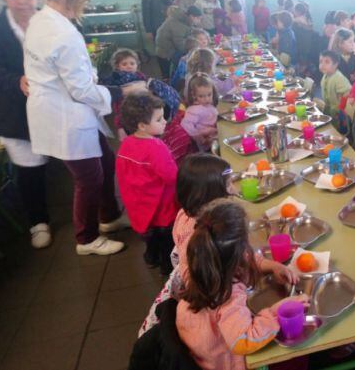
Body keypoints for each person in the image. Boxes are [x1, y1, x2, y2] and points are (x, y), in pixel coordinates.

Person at [24, 0, 125, 255]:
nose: (86, 5)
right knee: (89, 177)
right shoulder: (60, 32)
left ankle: (110, 217)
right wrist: (118, 92)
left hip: (61, 107)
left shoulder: (42, 20)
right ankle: (86, 238)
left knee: (105, 161)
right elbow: (80, 89)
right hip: (63, 114)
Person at [176, 199, 307, 370]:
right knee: (293, 359)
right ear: (235, 256)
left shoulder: (205, 265)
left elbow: (246, 258)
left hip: (203, 351)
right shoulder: (227, 296)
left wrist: (272, 265)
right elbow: (243, 341)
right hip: (226, 363)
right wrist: (277, 312)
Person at [0, 0, 50, 248]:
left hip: (52, 106)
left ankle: (86, 215)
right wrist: (16, 81)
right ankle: (39, 221)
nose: (21, 1)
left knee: (74, 163)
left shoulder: (49, 22)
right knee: (28, 169)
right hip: (15, 111)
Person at [139, 154, 237, 335]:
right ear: (211, 196)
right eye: (229, 185)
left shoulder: (185, 214)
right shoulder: (203, 237)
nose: (234, 191)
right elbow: (205, 283)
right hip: (206, 305)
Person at [116, 92, 178, 275]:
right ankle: (168, 270)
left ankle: (151, 258)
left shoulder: (126, 145)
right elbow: (171, 176)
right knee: (167, 241)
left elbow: (122, 174)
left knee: (150, 238)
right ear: (142, 125)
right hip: (162, 207)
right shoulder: (156, 147)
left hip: (140, 206)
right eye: (159, 119)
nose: (165, 121)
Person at [100, 48, 181, 141]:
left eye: (132, 63)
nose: (129, 66)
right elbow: (118, 107)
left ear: (137, 65)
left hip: (145, 113)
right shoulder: (117, 83)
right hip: (131, 117)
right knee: (136, 137)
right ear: (117, 66)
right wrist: (120, 127)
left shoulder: (141, 76)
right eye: (124, 64)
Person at [155, 5, 202, 75]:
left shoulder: (183, 20)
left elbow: (188, 32)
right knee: (171, 74)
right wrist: (192, 50)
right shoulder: (178, 24)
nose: (199, 21)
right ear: (192, 16)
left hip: (170, 49)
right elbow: (180, 45)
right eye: (198, 18)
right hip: (166, 53)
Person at [181, 73, 218, 152]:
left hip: (214, 136)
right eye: (201, 96)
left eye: (209, 94)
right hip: (207, 145)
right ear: (194, 96)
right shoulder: (194, 110)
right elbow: (185, 124)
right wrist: (199, 135)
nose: (206, 99)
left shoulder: (207, 105)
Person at [318, 50, 351, 121]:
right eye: (320, 61)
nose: (322, 65)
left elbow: (347, 93)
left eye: (327, 62)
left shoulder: (339, 78)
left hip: (339, 114)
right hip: (329, 110)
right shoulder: (325, 75)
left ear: (335, 65)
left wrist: (340, 110)